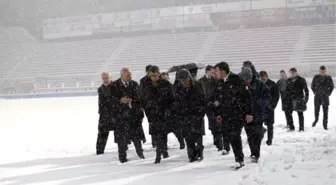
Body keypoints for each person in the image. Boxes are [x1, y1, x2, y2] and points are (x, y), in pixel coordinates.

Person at [209, 62, 251, 170]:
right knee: (231, 137)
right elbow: (215, 99)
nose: (215, 73)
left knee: (235, 136)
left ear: (223, 71)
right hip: (225, 115)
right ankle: (238, 158)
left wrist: (249, 112)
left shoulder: (236, 80)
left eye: (217, 71)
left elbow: (246, 98)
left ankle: (239, 160)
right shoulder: (219, 83)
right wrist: (217, 113)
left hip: (237, 114)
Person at [111, 68, 145, 163]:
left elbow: (140, 99)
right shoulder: (114, 85)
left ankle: (140, 154)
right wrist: (120, 101)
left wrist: (133, 102)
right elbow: (110, 101)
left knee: (136, 137)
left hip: (133, 116)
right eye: (127, 74)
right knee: (121, 140)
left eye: (130, 74)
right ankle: (122, 158)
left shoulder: (134, 84)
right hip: (120, 117)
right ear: (122, 75)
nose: (130, 76)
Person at [173, 69, 206, 162]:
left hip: (197, 115)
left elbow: (203, 100)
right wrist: (179, 115)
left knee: (198, 136)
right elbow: (176, 103)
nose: (184, 82)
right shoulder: (177, 88)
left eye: (185, 79)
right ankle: (191, 155)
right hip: (185, 116)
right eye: (181, 80)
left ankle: (200, 152)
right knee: (188, 138)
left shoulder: (198, 85)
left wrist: (200, 113)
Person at [143, 66, 174, 164]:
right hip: (153, 114)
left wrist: (169, 111)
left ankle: (159, 155)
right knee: (158, 135)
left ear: (159, 74)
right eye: (151, 76)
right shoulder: (147, 85)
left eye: (155, 75)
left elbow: (172, 99)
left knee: (162, 134)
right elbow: (144, 100)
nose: (153, 78)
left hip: (164, 113)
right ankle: (163, 152)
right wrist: (148, 112)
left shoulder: (166, 84)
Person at [240, 68, 269, 163]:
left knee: (256, 135)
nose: (245, 80)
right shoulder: (241, 85)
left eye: (246, 79)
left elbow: (267, 97)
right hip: (246, 115)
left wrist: (259, 104)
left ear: (250, 77)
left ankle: (256, 154)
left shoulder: (260, 84)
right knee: (250, 135)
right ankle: (253, 151)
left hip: (258, 115)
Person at [199, 65, 229, 153]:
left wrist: (217, 101)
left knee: (218, 125)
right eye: (212, 72)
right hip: (207, 106)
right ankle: (217, 139)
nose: (214, 74)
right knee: (212, 125)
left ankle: (220, 144)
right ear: (207, 71)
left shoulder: (217, 81)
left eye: (214, 72)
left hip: (216, 106)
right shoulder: (201, 81)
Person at [259, 71, 279, 146]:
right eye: (261, 78)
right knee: (258, 124)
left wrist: (272, 106)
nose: (263, 80)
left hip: (269, 107)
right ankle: (260, 135)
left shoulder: (272, 84)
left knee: (270, 124)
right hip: (260, 107)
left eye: (264, 78)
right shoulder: (258, 84)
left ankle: (269, 140)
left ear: (267, 76)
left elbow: (276, 96)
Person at [311, 65, 334, 130]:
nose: (322, 72)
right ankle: (316, 120)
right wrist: (315, 92)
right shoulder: (316, 77)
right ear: (319, 71)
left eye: (323, 71)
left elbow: (332, 86)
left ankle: (325, 125)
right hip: (317, 97)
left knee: (325, 113)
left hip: (325, 97)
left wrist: (329, 93)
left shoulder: (328, 77)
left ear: (325, 71)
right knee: (316, 111)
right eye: (321, 71)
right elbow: (312, 86)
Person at [96, 72, 114, 155]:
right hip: (104, 115)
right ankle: (99, 151)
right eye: (103, 78)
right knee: (102, 133)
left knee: (121, 133)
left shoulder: (116, 86)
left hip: (115, 113)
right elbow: (100, 102)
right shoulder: (100, 89)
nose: (105, 80)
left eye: (107, 78)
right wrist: (101, 112)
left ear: (110, 77)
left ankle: (124, 150)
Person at [140, 65, 157, 148]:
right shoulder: (143, 80)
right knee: (152, 123)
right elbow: (142, 94)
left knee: (158, 123)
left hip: (157, 104)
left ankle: (159, 141)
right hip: (148, 106)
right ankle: (154, 142)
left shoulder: (157, 78)